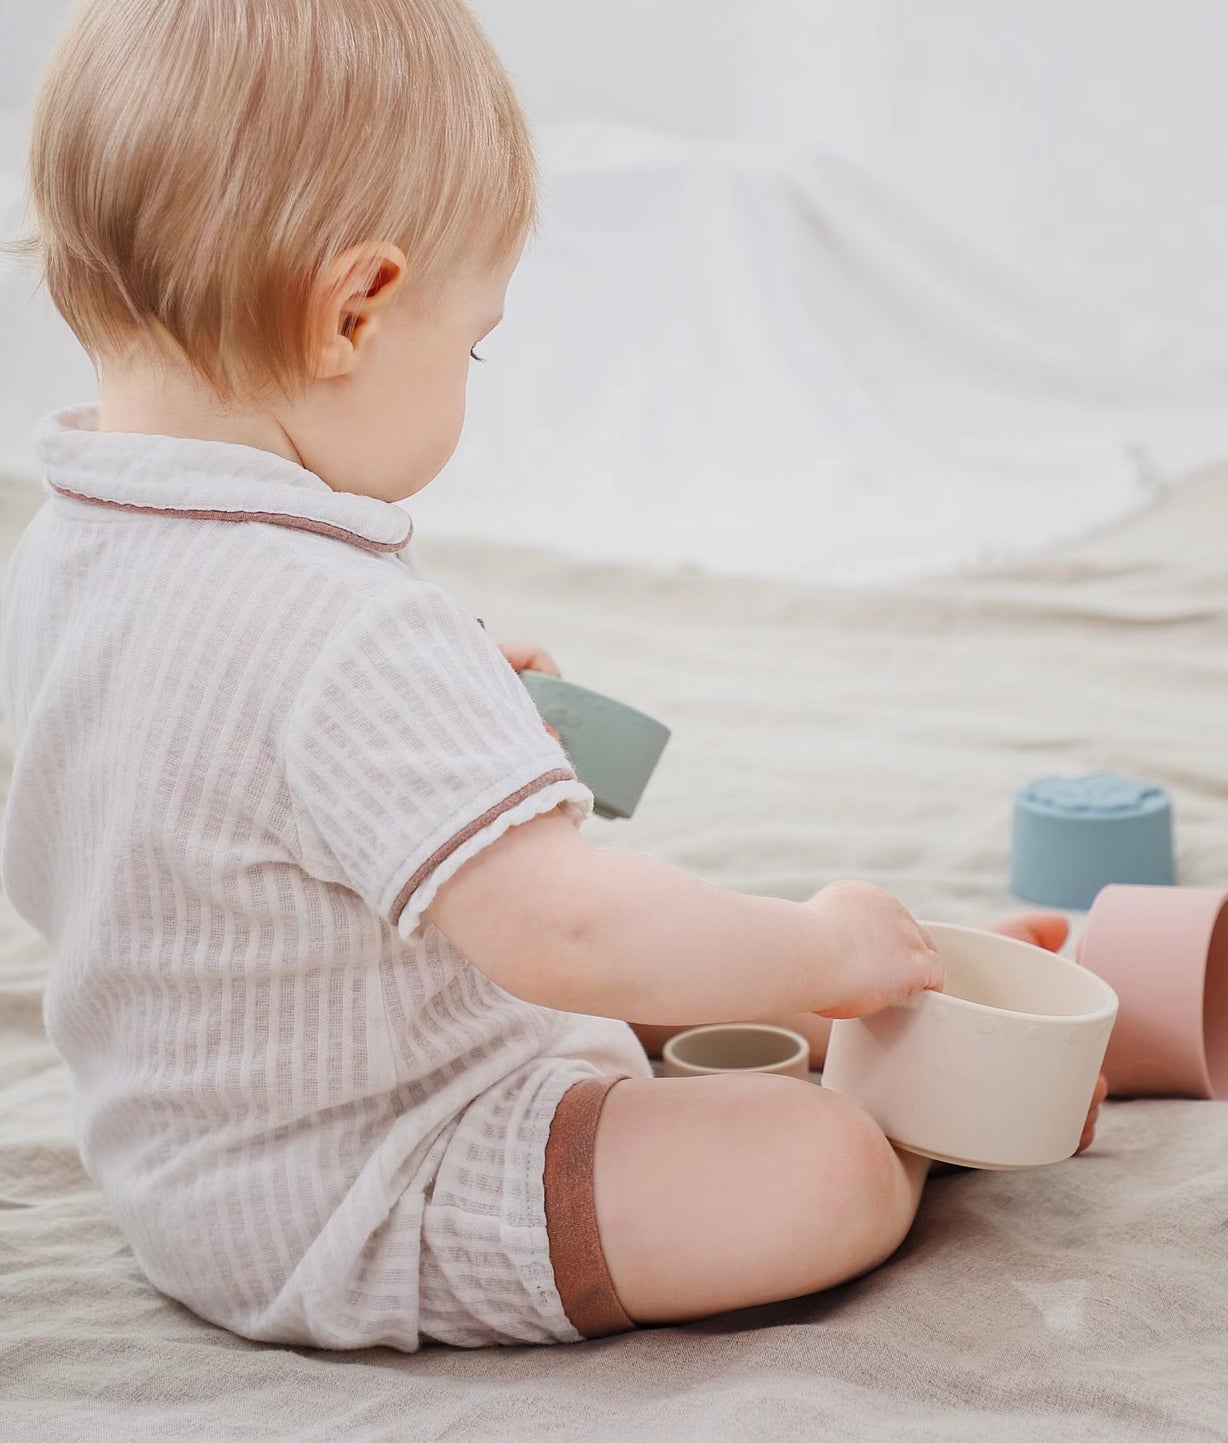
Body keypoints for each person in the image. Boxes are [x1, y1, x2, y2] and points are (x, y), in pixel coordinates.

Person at [0, 0, 1104, 1351]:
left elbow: (190, 793)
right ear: (356, 309)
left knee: (673, 968)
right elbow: (562, 936)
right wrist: (817, 953)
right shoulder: (339, 627)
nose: (471, 369)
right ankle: (921, 1087)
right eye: (473, 342)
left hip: (184, 1173)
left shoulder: (65, 546)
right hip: (381, 1176)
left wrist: (448, 723)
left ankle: (884, 1020)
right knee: (810, 1163)